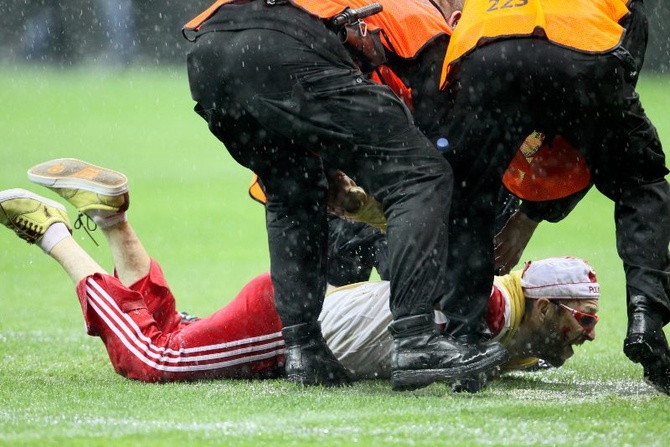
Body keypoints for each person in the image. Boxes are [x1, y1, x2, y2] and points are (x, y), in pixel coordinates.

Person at [1, 159, 599, 389]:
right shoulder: (491, 311)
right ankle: (54, 233)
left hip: (294, 314)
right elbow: (428, 248)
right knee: (155, 360)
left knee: (169, 329)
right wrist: (372, 208)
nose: (589, 335)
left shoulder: (512, 323)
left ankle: (111, 219)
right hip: (285, 323)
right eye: (582, 319)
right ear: (543, 307)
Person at [182, 0, 508, 390]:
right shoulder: (421, 18)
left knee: (293, 192)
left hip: (211, 54)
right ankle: (415, 340)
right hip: (281, 48)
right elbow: (441, 144)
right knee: (424, 176)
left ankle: (304, 349)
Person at [435, 0, 670, 394]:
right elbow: (602, 120)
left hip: (485, 54)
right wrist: (533, 212)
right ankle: (646, 316)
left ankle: (467, 341)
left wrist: (526, 212)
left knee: (468, 195)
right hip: (581, 53)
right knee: (641, 181)